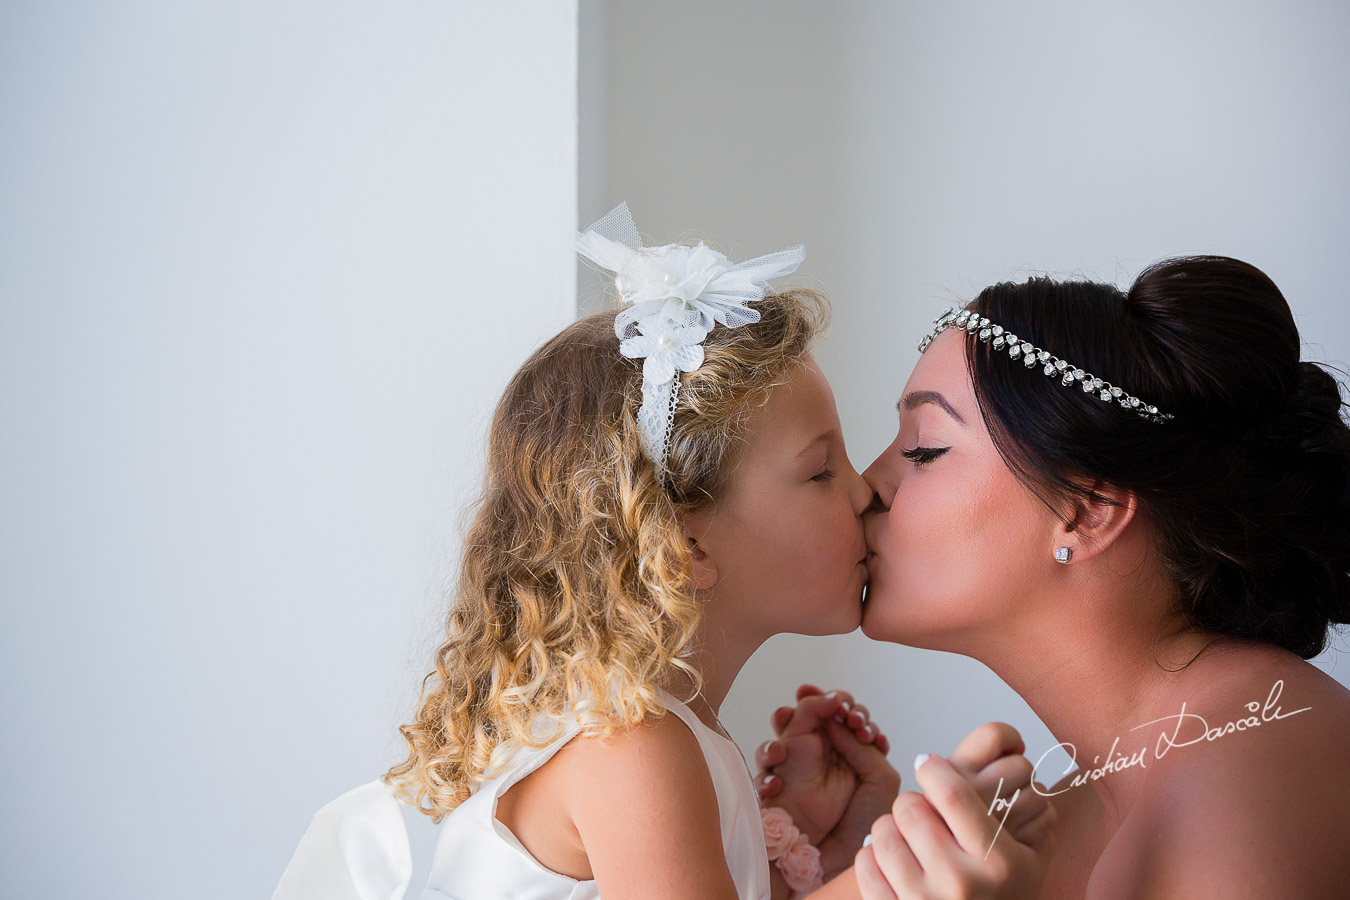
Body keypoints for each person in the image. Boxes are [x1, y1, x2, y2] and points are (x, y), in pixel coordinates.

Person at [271, 204, 1052, 900]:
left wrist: (818, 855)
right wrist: (900, 877)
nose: (864, 491)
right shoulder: (633, 749)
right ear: (681, 544)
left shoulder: (664, 739)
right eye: (821, 469)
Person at [760, 256, 1350, 897]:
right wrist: (824, 870)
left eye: (924, 450)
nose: (865, 487)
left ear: (1087, 511)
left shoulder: (1249, 782)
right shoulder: (1054, 815)